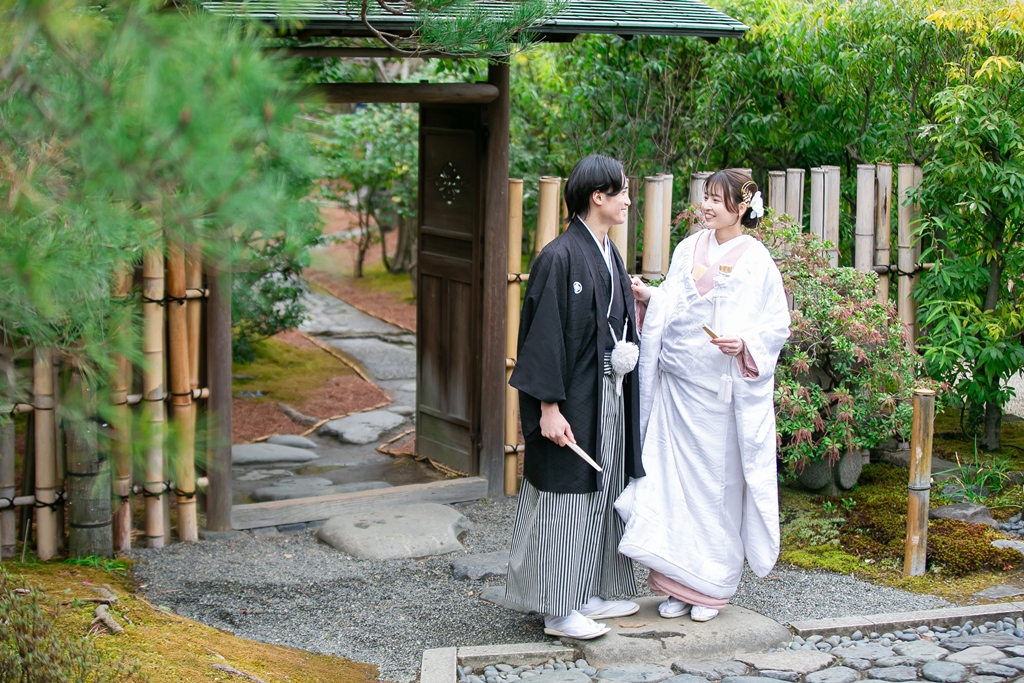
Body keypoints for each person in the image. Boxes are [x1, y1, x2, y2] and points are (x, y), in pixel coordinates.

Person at [615, 168, 791, 623]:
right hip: (677, 388)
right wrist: (650, 296)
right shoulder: (687, 248)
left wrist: (745, 343)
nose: (707, 206)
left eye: (717, 199)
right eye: (706, 197)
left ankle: (710, 587)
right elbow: (674, 303)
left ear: (742, 207)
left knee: (716, 490)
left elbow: (776, 325)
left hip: (719, 397)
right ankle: (676, 584)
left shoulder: (757, 260)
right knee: (670, 487)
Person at [504, 155, 645, 640]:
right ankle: (558, 610)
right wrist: (547, 407)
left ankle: (587, 592)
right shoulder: (559, 257)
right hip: (570, 397)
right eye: (622, 192)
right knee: (567, 494)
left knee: (602, 487)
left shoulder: (608, 252)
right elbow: (543, 337)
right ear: (597, 197)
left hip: (606, 392)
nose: (629, 200)